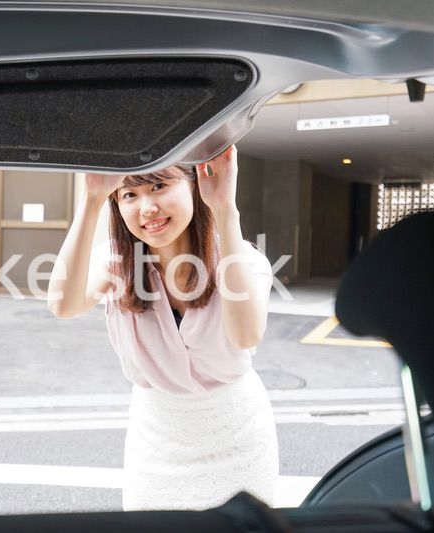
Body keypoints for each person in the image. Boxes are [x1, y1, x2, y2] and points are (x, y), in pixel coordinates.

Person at [48, 145, 278, 511]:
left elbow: (246, 336)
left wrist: (224, 209)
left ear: (192, 186)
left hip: (237, 433)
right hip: (156, 437)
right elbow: (63, 304)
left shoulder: (244, 260)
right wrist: (92, 200)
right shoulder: (116, 264)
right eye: (129, 194)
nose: (147, 207)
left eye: (158, 186)